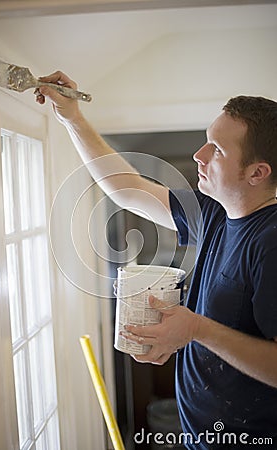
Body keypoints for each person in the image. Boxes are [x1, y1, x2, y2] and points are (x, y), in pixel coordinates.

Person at [36, 73, 277, 449]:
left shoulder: (270, 242)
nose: (200, 155)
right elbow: (128, 189)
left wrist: (196, 330)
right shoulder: (216, 214)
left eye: (216, 149)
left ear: (257, 173)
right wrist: (72, 117)